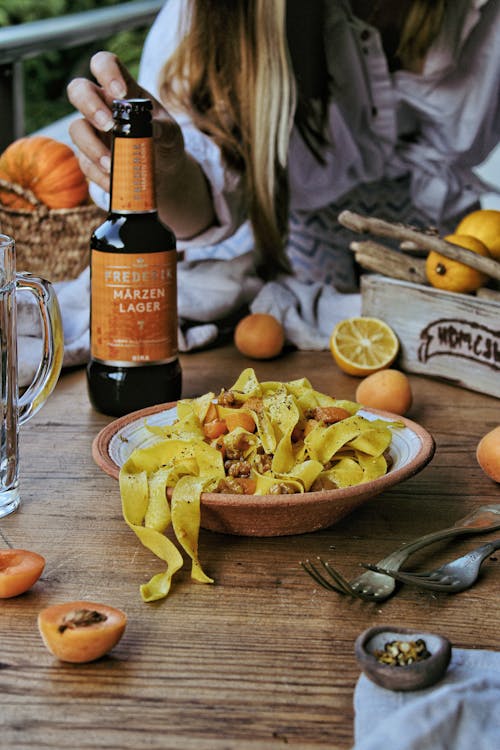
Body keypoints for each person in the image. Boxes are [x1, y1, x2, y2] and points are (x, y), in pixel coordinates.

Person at [67, 0, 500, 292]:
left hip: (453, 266)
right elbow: (202, 201)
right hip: (276, 275)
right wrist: (166, 171)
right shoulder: (216, 16)